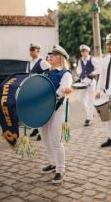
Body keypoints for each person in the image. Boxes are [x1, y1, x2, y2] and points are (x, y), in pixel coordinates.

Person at [39, 45, 72, 184]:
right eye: (50, 54)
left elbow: (61, 90)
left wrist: (63, 90)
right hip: (43, 109)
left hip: (58, 109)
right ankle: (52, 163)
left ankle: (60, 169)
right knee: (45, 139)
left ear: (60, 58)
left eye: (54, 54)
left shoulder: (65, 73)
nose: (50, 56)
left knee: (55, 141)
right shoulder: (46, 73)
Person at [26, 43, 51, 140]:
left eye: (33, 50)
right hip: (32, 90)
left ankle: (42, 132)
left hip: (40, 90)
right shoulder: (29, 63)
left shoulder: (42, 62)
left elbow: (50, 73)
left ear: (38, 51)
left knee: (42, 111)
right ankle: (37, 128)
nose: (31, 52)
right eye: (30, 50)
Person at [76, 44, 100, 126]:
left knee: (90, 100)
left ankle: (89, 118)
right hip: (83, 82)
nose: (83, 53)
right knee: (80, 99)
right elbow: (79, 68)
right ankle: (89, 113)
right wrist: (79, 73)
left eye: (84, 51)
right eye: (82, 51)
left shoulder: (92, 59)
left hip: (91, 82)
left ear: (88, 51)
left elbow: (99, 68)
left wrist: (93, 73)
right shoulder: (80, 60)